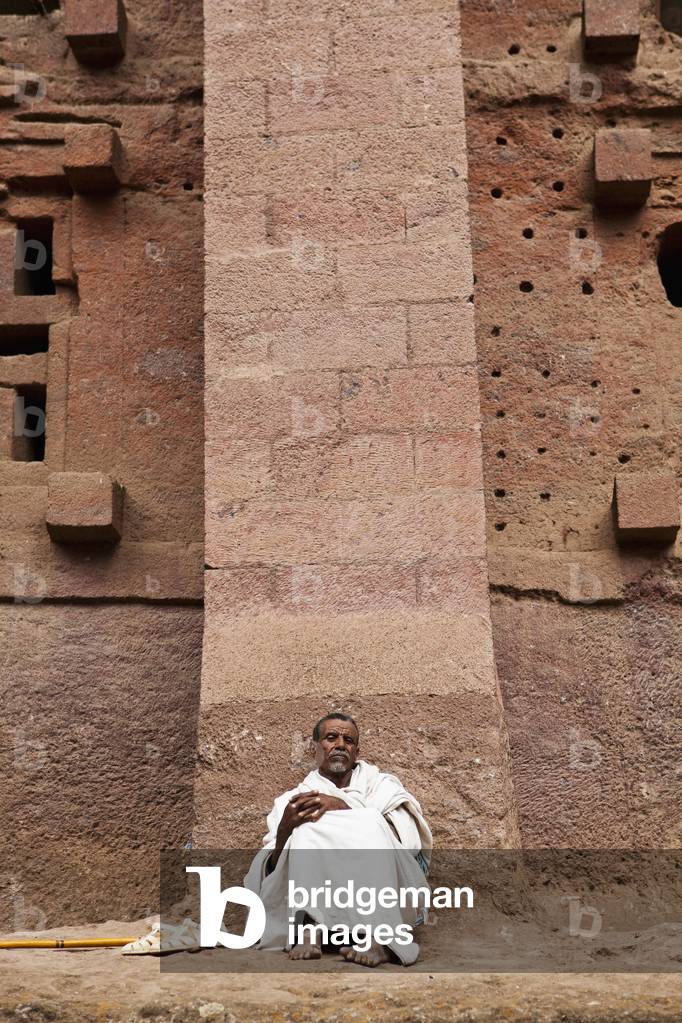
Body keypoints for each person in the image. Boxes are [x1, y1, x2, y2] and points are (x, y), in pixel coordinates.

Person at [244, 712, 432, 967]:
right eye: (331, 737)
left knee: (372, 822)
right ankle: (310, 929)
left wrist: (344, 806)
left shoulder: (382, 788)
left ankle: (379, 939)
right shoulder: (293, 799)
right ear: (315, 748)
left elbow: (405, 846)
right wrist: (286, 830)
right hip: (319, 916)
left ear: (356, 751)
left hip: (385, 898)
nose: (340, 744)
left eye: (348, 740)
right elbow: (273, 872)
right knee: (305, 830)